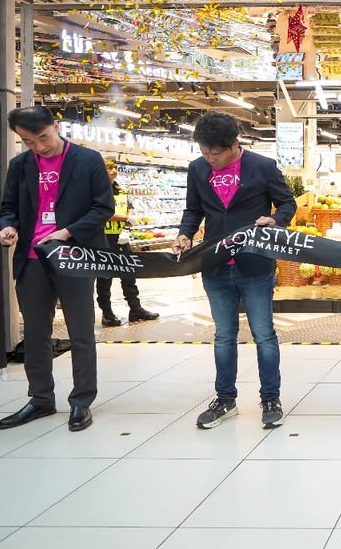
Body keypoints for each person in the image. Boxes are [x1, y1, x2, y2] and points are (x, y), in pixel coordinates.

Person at [174, 112, 295, 430]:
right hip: (214, 264)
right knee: (223, 336)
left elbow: (287, 204)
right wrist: (185, 233)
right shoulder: (197, 169)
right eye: (204, 151)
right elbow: (193, 209)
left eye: (216, 152)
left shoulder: (262, 166)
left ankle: (271, 398)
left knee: (264, 334)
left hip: (254, 263)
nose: (210, 158)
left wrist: (276, 219)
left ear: (234, 146)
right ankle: (225, 399)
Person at [0, 106, 114, 433]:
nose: (39, 147)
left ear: (56, 126)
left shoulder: (88, 160)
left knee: (80, 330)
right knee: (35, 332)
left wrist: (67, 231)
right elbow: (8, 208)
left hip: (74, 255)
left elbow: (104, 207)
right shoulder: (20, 166)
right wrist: (8, 228)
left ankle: (81, 400)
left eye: (43, 137)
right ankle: (40, 398)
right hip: (32, 259)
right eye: (29, 142)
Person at [95, 160, 157, 327]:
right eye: (109, 167)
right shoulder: (96, 189)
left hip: (122, 237)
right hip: (104, 238)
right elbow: (102, 213)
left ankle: (135, 309)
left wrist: (129, 221)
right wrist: (126, 218)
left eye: (116, 167)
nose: (114, 170)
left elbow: (129, 207)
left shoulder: (121, 189)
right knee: (105, 276)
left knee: (129, 273)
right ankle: (107, 313)